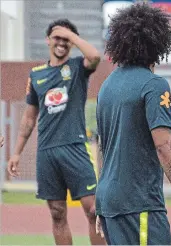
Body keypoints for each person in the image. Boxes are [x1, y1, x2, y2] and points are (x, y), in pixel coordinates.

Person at [95, 3, 171, 245]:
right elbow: (164, 146)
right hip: (138, 202)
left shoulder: (106, 86)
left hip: (109, 201)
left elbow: (102, 149)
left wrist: (101, 202)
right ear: (158, 42)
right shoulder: (154, 85)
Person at [7, 19, 105, 245]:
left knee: (94, 210)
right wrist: (17, 152)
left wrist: (72, 35)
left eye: (66, 39)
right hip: (47, 152)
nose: (61, 43)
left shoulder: (79, 67)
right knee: (57, 213)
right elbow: (29, 117)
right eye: (57, 38)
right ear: (47, 41)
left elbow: (95, 57)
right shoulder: (36, 75)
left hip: (76, 148)